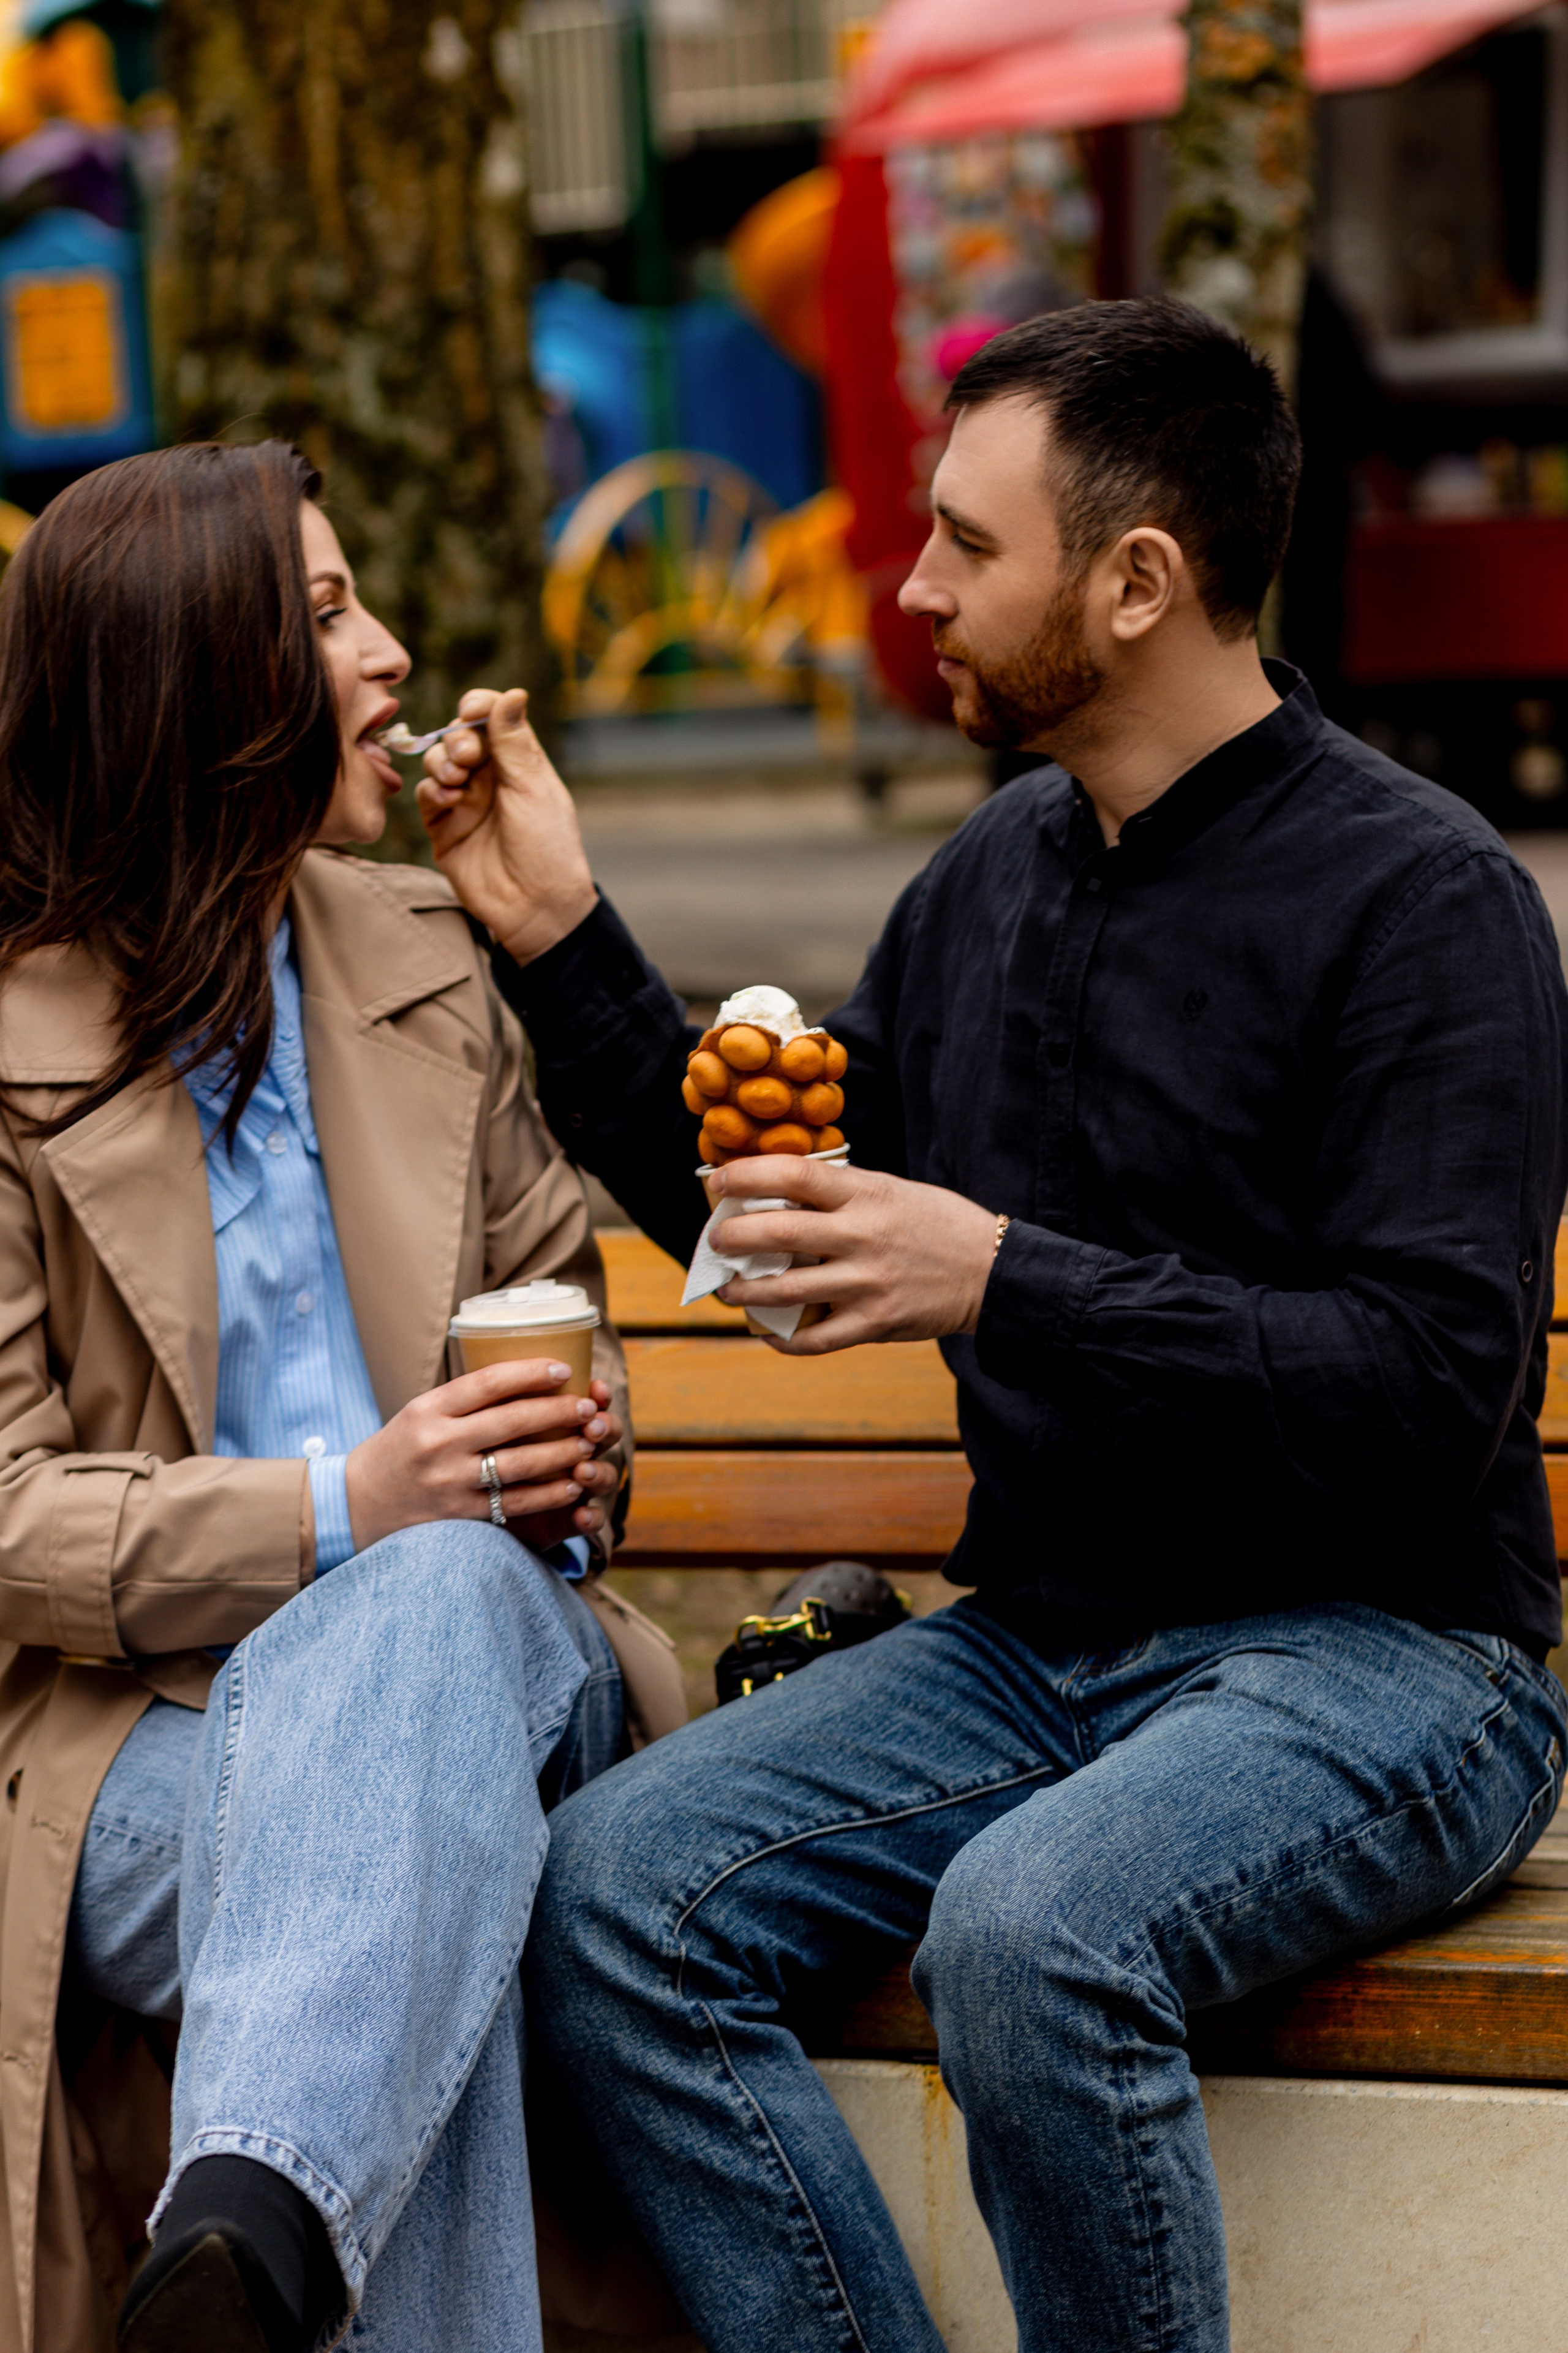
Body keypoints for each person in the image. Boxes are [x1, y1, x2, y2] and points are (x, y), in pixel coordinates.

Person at [418, 294, 1568, 2353]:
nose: (912, 587)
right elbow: (764, 1211)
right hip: (1042, 1645)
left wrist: (1000, 1274)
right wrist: (557, 932)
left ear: (1138, 582)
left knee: (1031, 1932)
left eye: (965, 540)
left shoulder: (1425, 901)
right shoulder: (991, 878)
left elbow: (1423, 1388)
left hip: (1392, 1654)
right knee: (606, 1902)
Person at [0, 440, 682, 2353]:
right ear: (190, 684)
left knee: (438, 1623)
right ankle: (272, 2231)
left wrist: (576, 1449)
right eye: (323, 616)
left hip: (511, 1664)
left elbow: (570, 1314)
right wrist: (340, 1508)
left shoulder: (427, 948)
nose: (389, 653)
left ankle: (254, 2209)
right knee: (404, 1885)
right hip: (138, 1737)